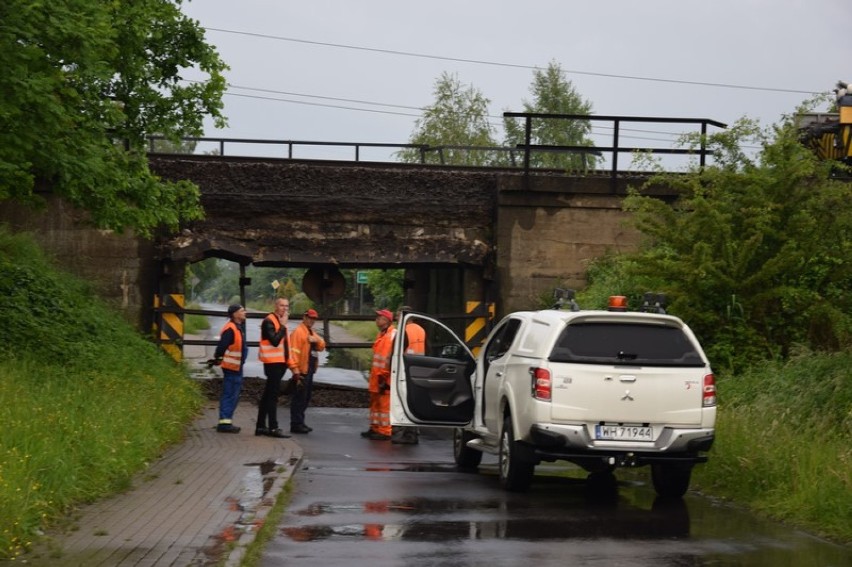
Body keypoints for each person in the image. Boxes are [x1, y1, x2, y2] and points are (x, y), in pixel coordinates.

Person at [255, 297, 292, 438]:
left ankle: (260, 426)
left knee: (267, 395)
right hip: (272, 363)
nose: (285, 308)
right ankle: (273, 427)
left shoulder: (279, 321)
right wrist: (282, 326)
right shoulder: (269, 321)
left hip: (280, 363)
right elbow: (275, 341)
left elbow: (285, 344)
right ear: (275, 306)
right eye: (282, 305)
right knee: (272, 396)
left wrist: (289, 361)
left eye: (287, 306)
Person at [288, 308, 327, 434]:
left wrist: (317, 340)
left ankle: (300, 422)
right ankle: (296, 424)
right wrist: (295, 371)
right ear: (304, 317)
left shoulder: (310, 332)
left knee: (305, 397)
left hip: (309, 369)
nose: (311, 320)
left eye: (313, 319)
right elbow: (293, 354)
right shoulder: (299, 332)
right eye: (309, 318)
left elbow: (321, 346)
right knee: (299, 398)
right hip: (302, 371)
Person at [392, 306, 425, 445]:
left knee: (403, 401)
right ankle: (413, 429)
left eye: (398, 316)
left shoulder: (403, 330)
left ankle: (408, 434)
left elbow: (396, 351)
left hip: (405, 368)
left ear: (405, 316)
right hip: (419, 368)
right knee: (414, 401)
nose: (397, 318)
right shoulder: (421, 330)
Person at [361, 309, 396, 441]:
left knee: (384, 406)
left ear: (386, 320)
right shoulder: (382, 334)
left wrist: (383, 377)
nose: (376, 319)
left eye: (379, 317)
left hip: (383, 378)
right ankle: (375, 428)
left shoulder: (389, 336)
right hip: (378, 377)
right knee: (375, 404)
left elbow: (387, 359)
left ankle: (385, 431)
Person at [213, 304, 248, 433]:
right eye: (242, 311)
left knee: (233, 394)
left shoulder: (237, 327)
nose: (245, 312)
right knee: (230, 394)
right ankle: (224, 423)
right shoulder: (231, 329)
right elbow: (221, 347)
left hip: (235, 367)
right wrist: (218, 358)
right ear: (235, 314)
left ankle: (226, 421)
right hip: (231, 368)